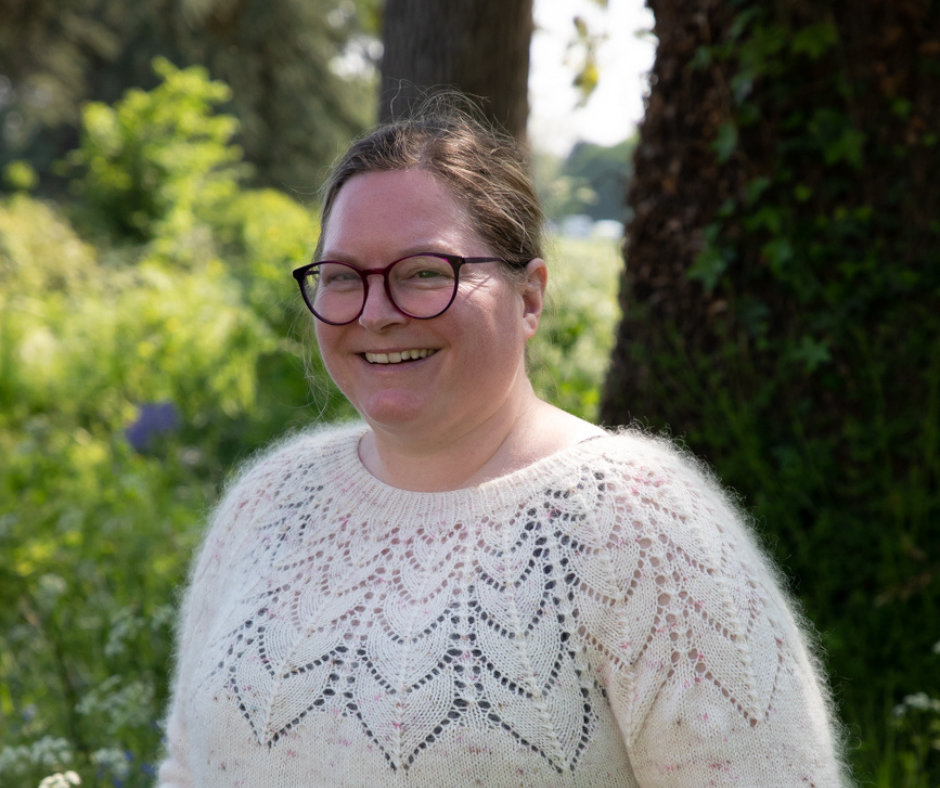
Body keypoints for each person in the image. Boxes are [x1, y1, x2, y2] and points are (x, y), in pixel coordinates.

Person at [156, 102, 851, 787]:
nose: (375, 313)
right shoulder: (268, 501)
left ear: (530, 297)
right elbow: (186, 769)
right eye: (342, 277)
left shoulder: (642, 524)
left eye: (425, 272)